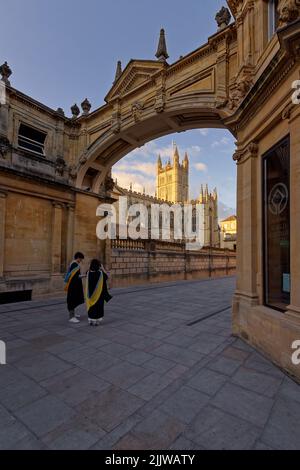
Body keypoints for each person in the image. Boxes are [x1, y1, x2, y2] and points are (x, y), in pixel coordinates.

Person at [86, 259, 112, 326]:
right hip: (99, 294)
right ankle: (96, 321)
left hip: (90, 294)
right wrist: (103, 269)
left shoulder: (88, 273)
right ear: (99, 265)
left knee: (91, 307)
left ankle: (91, 320)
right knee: (98, 307)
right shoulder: (100, 273)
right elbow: (107, 277)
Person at [64, 252, 85, 324]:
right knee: (72, 299)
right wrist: (83, 276)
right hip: (73, 286)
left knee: (74, 299)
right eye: (81, 259)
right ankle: (71, 317)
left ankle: (73, 314)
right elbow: (75, 277)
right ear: (78, 257)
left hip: (74, 285)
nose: (81, 260)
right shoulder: (74, 264)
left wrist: (81, 276)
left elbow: (75, 275)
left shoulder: (74, 264)